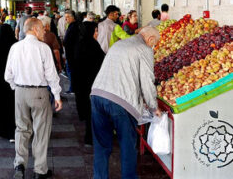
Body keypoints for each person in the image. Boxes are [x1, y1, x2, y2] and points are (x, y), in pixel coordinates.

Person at [90, 27, 162, 179]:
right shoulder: (144, 49)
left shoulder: (119, 44)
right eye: (155, 44)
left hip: (97, 94)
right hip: (121, 101)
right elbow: (147, 81)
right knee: (127, 145)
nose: (154, 47)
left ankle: (99, 176)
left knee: (101, 145)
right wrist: (153, 106)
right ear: (150, 40)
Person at [5, 18, 62, 179]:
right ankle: (39, 170)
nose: (44, 32)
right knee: (41, 132)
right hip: (39, 93)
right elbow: (51, 74)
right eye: (43, 29)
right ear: (35, 29)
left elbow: (7, 75)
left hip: (20, 92)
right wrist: (57, 95)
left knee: (21, 129)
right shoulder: (43, 48)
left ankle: (19, 166)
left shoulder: (15, 47)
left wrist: (16, 88)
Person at [72, 22, 105, 146]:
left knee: (88, 111)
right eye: (95, 31)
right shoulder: (92, 45)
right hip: (91, 83)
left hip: (81, 83)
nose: (97, 33)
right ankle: (91, 138)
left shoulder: (80, 43)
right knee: (92, 112)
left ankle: (89, 137)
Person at [63, 10, 79, 94]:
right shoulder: (73, 26)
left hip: (71, 54)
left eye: (68, 17)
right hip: (72, 54)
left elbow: (67, 41)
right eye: (65, 17)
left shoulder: (73, 27)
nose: (66, 19)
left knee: (71, 72)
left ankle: (73, 88)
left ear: (73, 17)